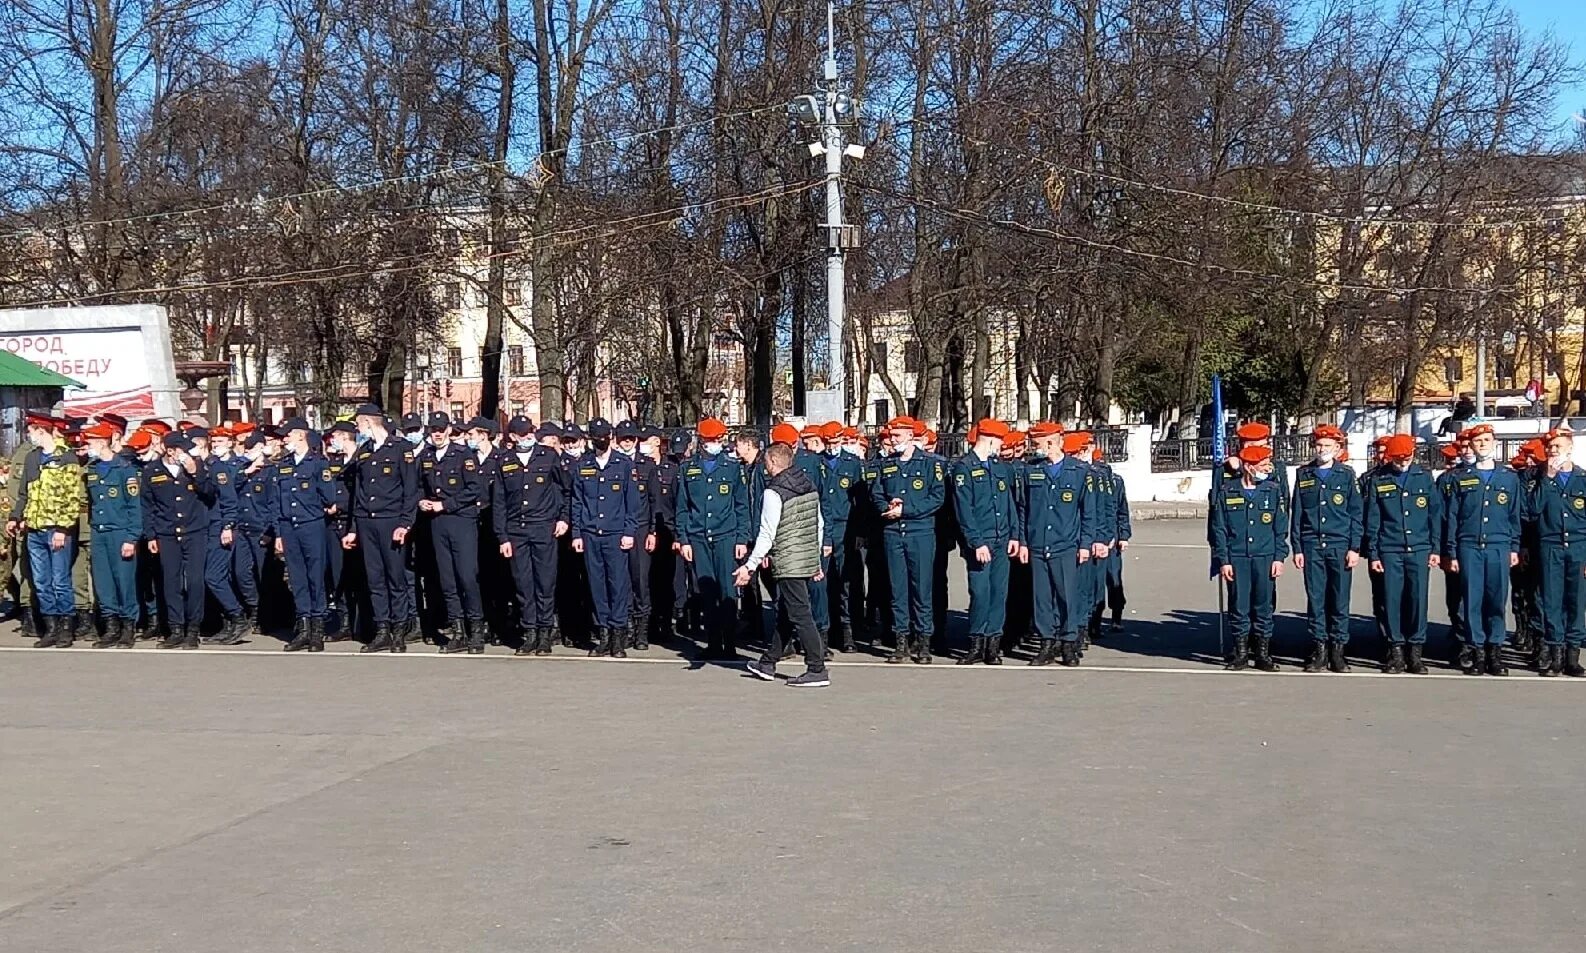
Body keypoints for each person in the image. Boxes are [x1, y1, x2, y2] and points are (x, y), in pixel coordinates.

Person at [741, 442, 831, 688]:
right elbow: (819, 524)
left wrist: (750, 565)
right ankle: (768, 661)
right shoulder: (808, 485)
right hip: (805, 556)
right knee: (785, 612)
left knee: (801, 615)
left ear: (771, 462)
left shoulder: (774, 492)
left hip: (789, 559)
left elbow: (767, 533)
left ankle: (817, 668)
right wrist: (815, 559)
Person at [1443, 423, 1522, 676]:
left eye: (1487, 440)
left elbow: (1514, 516)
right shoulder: (1460, 477)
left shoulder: (1509, 478)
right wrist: (1452, 551)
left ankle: (1495, 653)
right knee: (1472, 600)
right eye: (1478, 441)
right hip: (1469, 546)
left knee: (1496, 601)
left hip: (1499, 545)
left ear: (1495, 443)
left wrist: (1514, 547)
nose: (1482, 445)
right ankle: (1477, 652)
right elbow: (1452, 517)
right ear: (1471, 446)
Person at [1361, 434, 1441, 674]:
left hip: (1418, 548)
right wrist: (1373, 553)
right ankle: (1395, 650)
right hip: (1390, 548)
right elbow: (1373, 519)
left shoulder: (1424, 478)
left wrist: (1435, 548)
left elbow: (1434, 516)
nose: (1402, 463)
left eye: (1406, 458)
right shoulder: (1379, 478)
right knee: (1391, 600)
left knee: (1417, 600)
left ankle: (1415, 652)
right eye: (1398, 459)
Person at [343, 403, 419, 654]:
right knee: (374, 578)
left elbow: (410, 490)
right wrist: (353, 527)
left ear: (368, 422)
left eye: (359, 424)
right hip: (367, 521)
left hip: (391, 520)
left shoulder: (401, 448)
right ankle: (382, 629)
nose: (358, 428)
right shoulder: (365, 451)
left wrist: (405, 523)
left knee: (395, 577)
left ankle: (399, 629)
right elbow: (359, 493)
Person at [1019, 421, 1094, 667]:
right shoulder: (1031, 470)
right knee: (1041, 598)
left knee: (1066, 597)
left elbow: (1088, 512)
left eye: (1037, 443)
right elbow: (1023, 510)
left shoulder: (1079, 471)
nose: (1034, 448)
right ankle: (1046, 644)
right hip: (1039, 544)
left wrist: (1085, 544)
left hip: (1065, 544)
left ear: (1051, 442)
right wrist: (1022, 542)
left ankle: (1069, 643)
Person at [870, 417, 945, 663]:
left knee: (921, 589)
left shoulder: (929, 464)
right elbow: (877, 492)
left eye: (898, 436)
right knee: (897, 590)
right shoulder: (887, 464)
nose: (893, 441)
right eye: (892, 437)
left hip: (920, 533)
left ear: (911, 436)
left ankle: (923, 641)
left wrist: (907, 509)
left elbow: (936, 497)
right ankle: (900, 641)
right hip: (893, 533)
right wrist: (886, 506)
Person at [675, 420, 750, 660]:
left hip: (725, 535)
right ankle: (713, 643)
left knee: (727, 590)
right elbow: (682, 507)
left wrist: (742, 538)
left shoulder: (731, 467)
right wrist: (683, 539)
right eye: (708, 440)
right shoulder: (688, 468)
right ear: (700, 440)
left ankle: (730, 644)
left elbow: (741, 505)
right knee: (706, 590)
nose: (712, 444)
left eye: (716, 440)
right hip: (698, 536)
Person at [1290, 424, 1362, 673]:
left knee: (1339, 599)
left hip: (1339, 545)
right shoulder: (1304, 474)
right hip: (1312, 545)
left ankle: (1338, 650)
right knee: (1316, 599)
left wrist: (1355, 547)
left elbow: (1355, 513)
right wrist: (1297, 547)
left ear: (1338, 448)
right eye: (1319, 445)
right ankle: (1319, 648)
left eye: (1328, 446)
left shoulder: (1346, 474)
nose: (1322, 449)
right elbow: (1297, 513)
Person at [495, 418, 570, 656]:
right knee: (523, 584)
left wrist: (563, 518)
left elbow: (566, 488)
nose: (528, 437)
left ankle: (545, 632)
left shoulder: (548, 456)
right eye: (523, 434)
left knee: (545, 582)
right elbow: (499, 502)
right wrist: (503, 537)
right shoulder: (505, 460)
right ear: (513, 437)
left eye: (530, 432)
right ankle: (529, 632)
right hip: (517, 530)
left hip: (543, 528)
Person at [1210, 445, 1289, 671]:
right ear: (1248, 466)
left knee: (1263, 606)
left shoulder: (1272, 490)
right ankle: (1241, 653)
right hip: (1237, 558)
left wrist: (1279, 558)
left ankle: (1263, 654)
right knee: (1239, 606)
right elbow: (1220, 530)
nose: (1267, 469)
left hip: (1265, 558)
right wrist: (1224, 560)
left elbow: (1279, 528)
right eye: (1262, 465)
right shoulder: (1228, 491)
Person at [416, 412, 487, 653]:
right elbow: (417, 485)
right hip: (437, 522)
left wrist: (445, 504)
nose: (437, 433)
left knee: (467, 576)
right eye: (433, 429)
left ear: (449, 430)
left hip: (461, 520)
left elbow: (474, 489)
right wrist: (421, 501)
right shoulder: (426, 456)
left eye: (441, 429)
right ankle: (458, 631)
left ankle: (476, 629)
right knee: (448, 580)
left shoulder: (463, 455)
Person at [570, 418, 639, 657]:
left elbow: (632, 503)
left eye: (603, 436)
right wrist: (576, 533)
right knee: (596, 585)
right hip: (591, 534)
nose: (600, 440)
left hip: (615, 534)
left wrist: (629, 532)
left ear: (609, 436)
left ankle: (618, 636)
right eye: (596, 437)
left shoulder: (623, 465)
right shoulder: (583, 464)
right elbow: (577, 502)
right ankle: (604, 634)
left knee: (618, 585)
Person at [951, 419, 1019, 664]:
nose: (1002, 446)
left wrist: (1015, 535)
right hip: (981, 541)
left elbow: (1009, 504)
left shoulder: (999, 467)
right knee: (980, 592)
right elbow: (964, 510)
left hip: (1002, 539)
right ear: (989, 440)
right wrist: (976, 542)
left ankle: (993, 645)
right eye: (1000, 441)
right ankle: (976, 643)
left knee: (999, 593)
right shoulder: (964, 468)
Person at [270, 418, 340, 652]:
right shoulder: (284, 464)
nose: (284, 439)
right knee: (297, 579)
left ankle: (318, 629)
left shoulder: (318, 463)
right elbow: (276, 502)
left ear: (300, 435)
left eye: (287, 435)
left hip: (312, 525)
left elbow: (329, 496)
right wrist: (279, 532)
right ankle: (303, 628)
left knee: (315, 577)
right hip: (289, 527)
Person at [17, 413, 86, 647]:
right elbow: (24, 492)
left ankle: (67, 627)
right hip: (34, 529)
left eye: (31, 431)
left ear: (41, 430)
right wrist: (17, 517)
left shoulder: (66, 457)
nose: (29, 436)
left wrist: (62, 529)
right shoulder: (32, 458)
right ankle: (51, 627)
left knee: (60, 580)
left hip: (56, 529)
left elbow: (72, 498)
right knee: (41, 581)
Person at [141, 431, 211, 649]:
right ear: (170, 451)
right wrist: (151, 534)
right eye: (183, 449)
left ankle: (193, 629)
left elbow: (210, 493)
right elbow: (147, 506)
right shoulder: (152, 471)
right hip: (167, 533)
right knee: (171, 583)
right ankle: (175, 628)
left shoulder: (197, 467)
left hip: (195, 531)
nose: (188, 453)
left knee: (195, 582)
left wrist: (195, 473)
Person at [1527, 428, 1586, 677]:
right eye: (1550, 448)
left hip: (1578, 546)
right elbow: (1533, 510)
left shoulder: (1582, 480)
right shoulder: (1540, 477)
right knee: (1551, 602)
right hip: (1550, 546)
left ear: (1570, 448)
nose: (1553, 451)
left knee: (1576, 602)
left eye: (1558, 447)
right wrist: (1548, 478)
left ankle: (1573, 657)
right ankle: (1555, 656)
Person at [82, 422, 141, 648]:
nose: (88, 446)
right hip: (100, 532)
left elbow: (134, 507)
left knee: (124, 581)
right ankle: (111, 626)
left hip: (120, 533)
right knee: (103, 583)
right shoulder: (93, 469)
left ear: (101, 442)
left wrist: (131, 538)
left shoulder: (125, 470)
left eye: (90, 442)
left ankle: (128, 627)